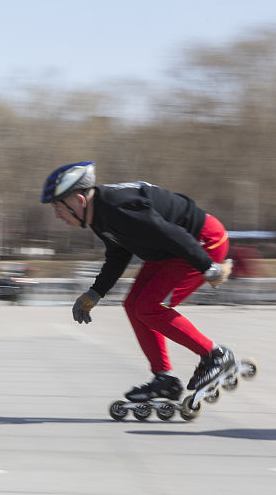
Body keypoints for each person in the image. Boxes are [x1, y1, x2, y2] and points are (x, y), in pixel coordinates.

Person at [41, 161, 236, 402]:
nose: (57, 215)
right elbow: (118, 253)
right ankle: (164, 378)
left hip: (201, 241)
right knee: (133, 305)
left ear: (79, 200)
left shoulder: (118, 207)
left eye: (58, 207)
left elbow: (171, 233)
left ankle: (216, 355)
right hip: (172, 249)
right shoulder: (98, 214)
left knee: (150, 308)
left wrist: (207, 267)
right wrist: (96, 292)